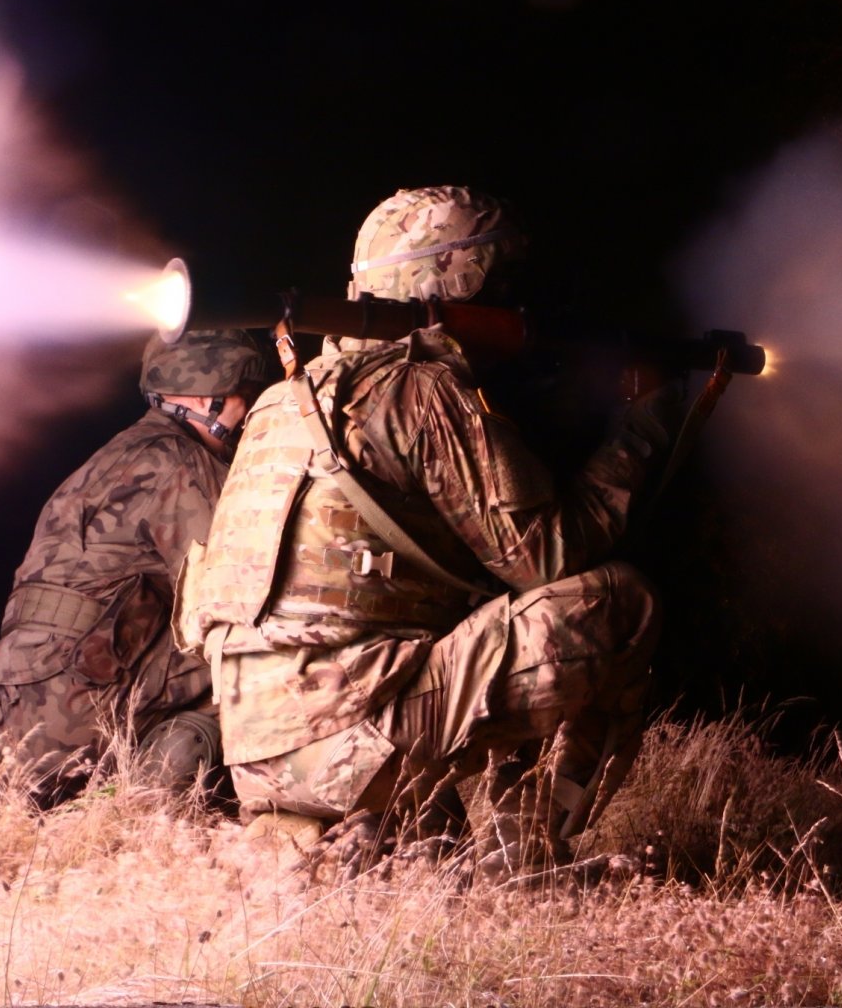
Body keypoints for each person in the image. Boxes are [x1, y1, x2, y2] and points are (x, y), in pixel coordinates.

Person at [175, 186, 679, 876]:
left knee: (477, 615)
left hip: (259, 756)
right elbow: (547, 558)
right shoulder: (422, 389)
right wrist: (644, 426)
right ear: (464, 285)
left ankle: (380, 830)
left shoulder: (282, 400)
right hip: (353, 743)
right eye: (502, 287)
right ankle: (522, 860)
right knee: (616, 602)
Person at [0, 328, 268, 806]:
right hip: (84, 710)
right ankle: (144, 804)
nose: (246, 415)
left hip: (11, 705)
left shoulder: (102, 460)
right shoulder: (184, 465)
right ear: (211, 399)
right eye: (242, 400)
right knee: (262, 669)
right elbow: (238, 591)